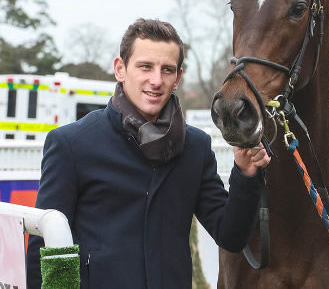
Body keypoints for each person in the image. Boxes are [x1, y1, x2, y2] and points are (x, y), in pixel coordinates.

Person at [26, 18, 271, 288]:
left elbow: (231, 237)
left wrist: (246, 175)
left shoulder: (196, 147)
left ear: (177, 79)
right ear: (120, 69)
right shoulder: (71, 144)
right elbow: (46, 246)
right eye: (145, 67)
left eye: (167, 70)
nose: (156, 80)